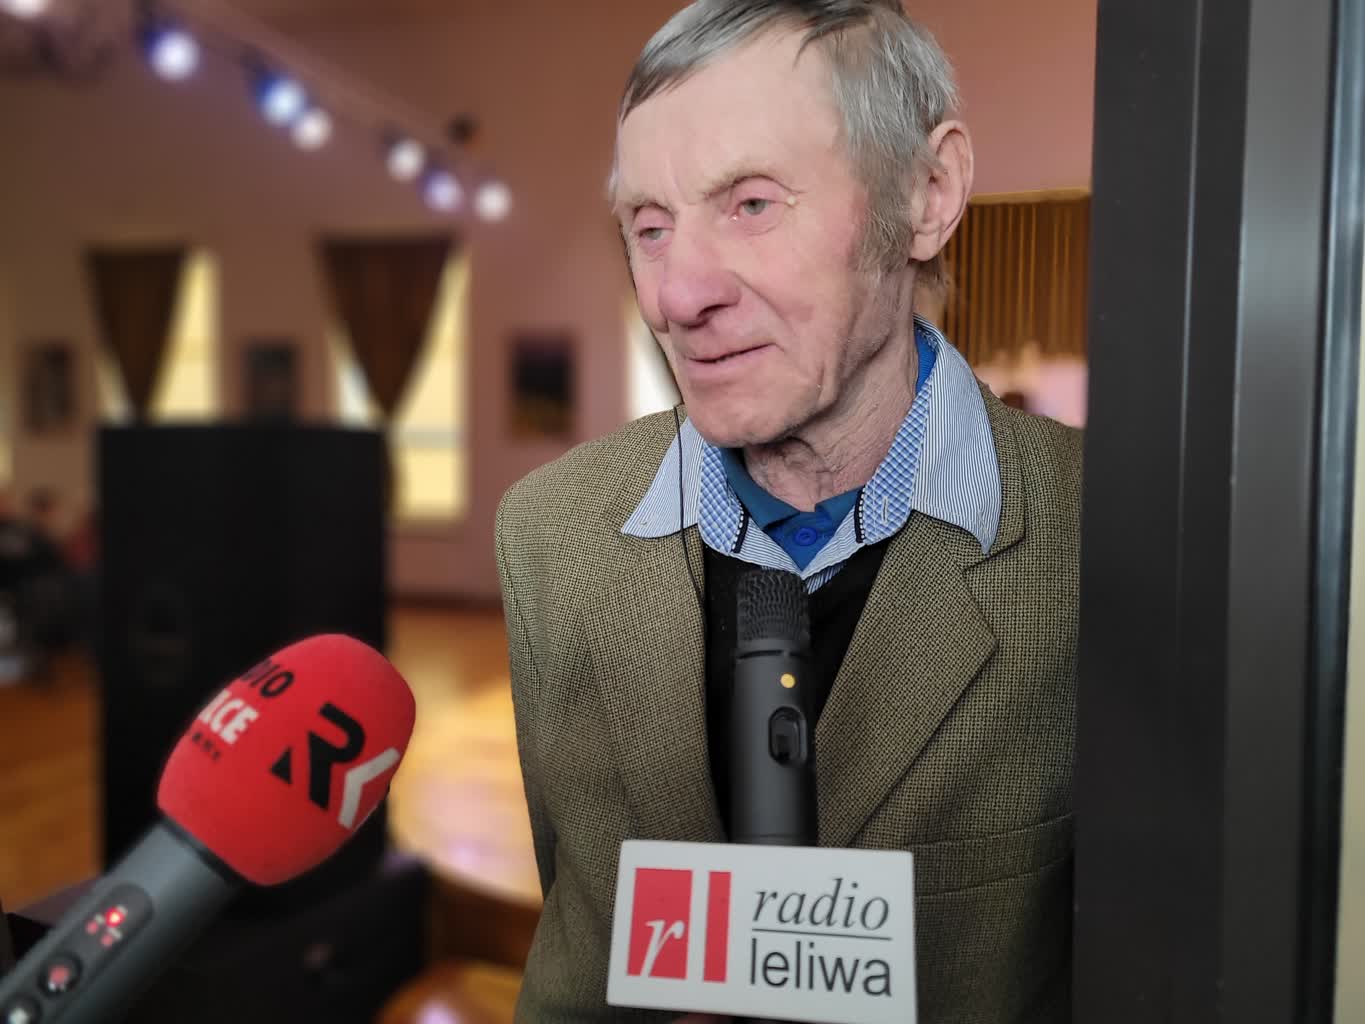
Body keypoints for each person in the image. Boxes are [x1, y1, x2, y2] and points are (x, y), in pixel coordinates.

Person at [496, 2, 1081, 1020]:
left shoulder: (1105, 538)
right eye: (648, 227)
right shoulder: (546, 534)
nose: (677, 295)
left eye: (752, 204)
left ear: (928, 194)